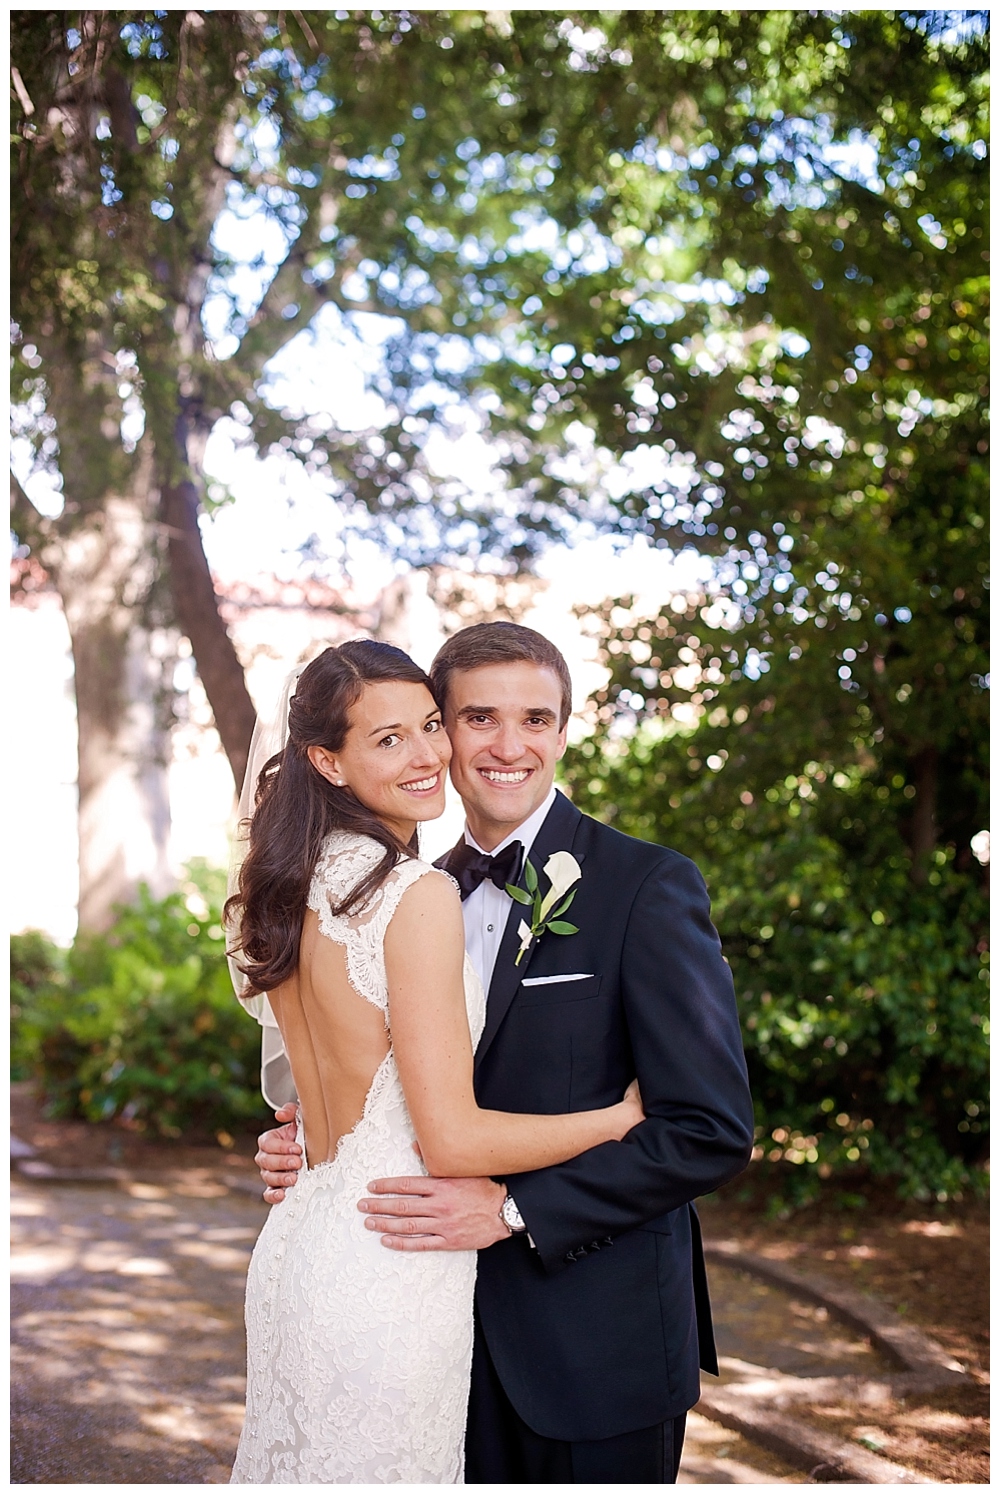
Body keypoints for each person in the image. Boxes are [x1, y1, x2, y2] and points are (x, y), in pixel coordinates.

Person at [256, 622, 755, 1483]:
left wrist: (515, 1211)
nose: (510, 746)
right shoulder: (407, 892)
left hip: (594, 1351)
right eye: (479, 717)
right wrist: (302, 1144)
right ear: (442, 731)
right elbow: (383, 1086)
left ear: (564, 732)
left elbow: (708, 1129)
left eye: (537, 720)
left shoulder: (647, 886)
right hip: (427, 1332)